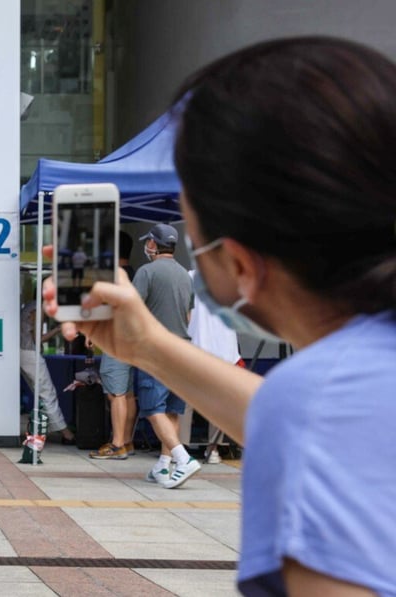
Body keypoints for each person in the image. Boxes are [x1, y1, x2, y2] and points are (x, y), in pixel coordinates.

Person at [44, 36, 396, 595]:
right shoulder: (355, 382)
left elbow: (311, 421)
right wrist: (147, 348)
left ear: (237, 262)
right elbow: (293, 423)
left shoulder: (326, 396)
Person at [130, 223, 200, 488]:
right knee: (172, 408)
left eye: (148, 241)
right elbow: (188, 316)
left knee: (152, 408)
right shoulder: (185, 275)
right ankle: (163, 463)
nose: (146, 245)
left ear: (154, 245)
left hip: (155, 351)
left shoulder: (146, 272)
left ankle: (183, 459)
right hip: (181, 350)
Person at [186, 269, 242, 464]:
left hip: (197, 345)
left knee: (187, 398)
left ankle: (180, 447)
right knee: (218, 400)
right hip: (224, 348)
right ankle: (213, 449)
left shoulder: (189, 277)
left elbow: (185, 310)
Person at [90, 231, 138, 460]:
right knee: (127, 394)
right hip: (131, 342)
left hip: (115, 341)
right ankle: (127, 441)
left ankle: (117, 444)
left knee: (116, 394)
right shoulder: (135, 274)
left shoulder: (114, 277)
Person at [19, 302, 75, 445]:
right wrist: (58, 329)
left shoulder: (29, 308)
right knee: (47, 393)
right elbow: (38, 340)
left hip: (23, 353)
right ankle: (65, 433)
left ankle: (41, 429)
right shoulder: (37, 309)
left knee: (40, 394)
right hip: (30, 354)